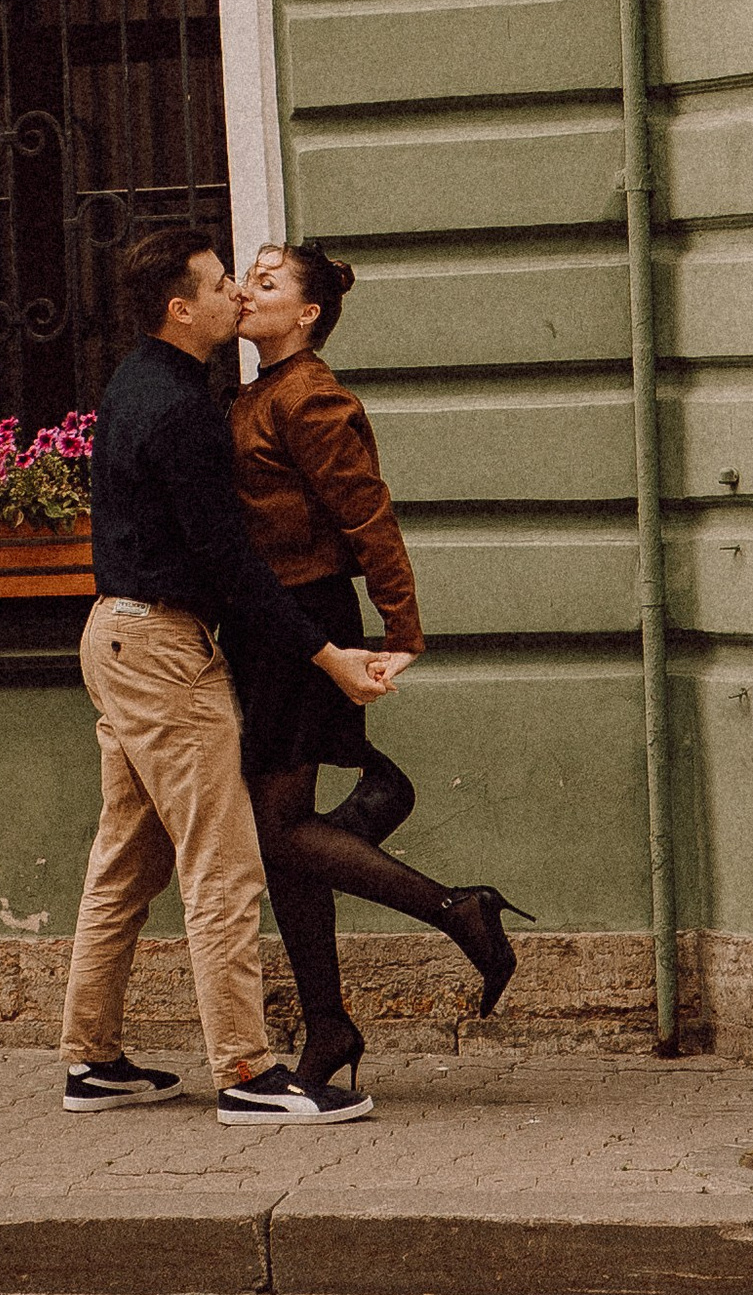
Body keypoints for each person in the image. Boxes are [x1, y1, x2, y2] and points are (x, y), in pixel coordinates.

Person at [58, 225, 397, 1125]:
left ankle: (91, 1062)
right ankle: (246, 1073)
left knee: (127, 864)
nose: (235, 295)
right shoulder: (184, 411)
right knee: (224, 864)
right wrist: (326, 653)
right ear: (182, 308)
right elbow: (231, 565)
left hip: (115, 637)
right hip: (165, 652)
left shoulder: (141, 380)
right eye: (219, 285)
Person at [227, 239, 528, 1104]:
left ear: (308, 313)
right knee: (283, 842)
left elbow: (368, 513)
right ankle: (327, 1025)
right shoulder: (256, 391)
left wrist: (404, 626)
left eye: (269, 282)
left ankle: (455, 909)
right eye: (248, 277)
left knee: (277, 833)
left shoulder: (313, 396)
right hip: (270, 625)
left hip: (304, 620)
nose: (250, 291)